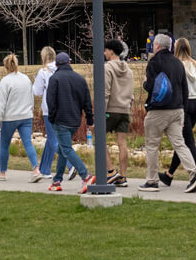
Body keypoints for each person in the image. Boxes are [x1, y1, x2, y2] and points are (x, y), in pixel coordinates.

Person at [139, 34, 196, 194]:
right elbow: (184, 88)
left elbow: (150, 86)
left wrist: (144, 82)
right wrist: (182, 109)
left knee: (152, 145)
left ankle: (152, 181)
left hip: (158, 111)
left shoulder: (154, 62)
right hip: (177, 109)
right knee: (180, 143)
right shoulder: (178, 63)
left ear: (156, 46)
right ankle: (195, 173)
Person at [43, 52, 96, 193]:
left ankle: (86, 176)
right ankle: (57, 181)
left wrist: (52, 118)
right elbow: (87, 103)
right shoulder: (80, 79)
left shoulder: (55, 79)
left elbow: (51, 102)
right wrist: (90, 120)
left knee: (66, 149)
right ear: (69, 63)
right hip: (75, 120)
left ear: (56, 65)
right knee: (62, 150)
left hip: (61, 120)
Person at [161, 37, 196, 186]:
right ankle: (169, 174)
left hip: (183, 104)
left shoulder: (176, 65)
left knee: (188, 141)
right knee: (183, 140)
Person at [0, 53, 39, 182]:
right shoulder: (26, 78)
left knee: (4, 144)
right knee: (28, 142)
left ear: (6, 66)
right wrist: (30, 110)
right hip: (26, 116)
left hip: (10, 118)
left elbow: (0, 104)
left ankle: (2, 172)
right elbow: (31, 97)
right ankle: (36, 170)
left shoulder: (5, 81)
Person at [104, 39, 134, 187]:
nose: (104, 53)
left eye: (105, 50)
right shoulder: (129, 70)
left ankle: (111, 171)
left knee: (99, 141)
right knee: (122, 143)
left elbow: (105, 91)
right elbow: (132, 93)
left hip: (110, 109)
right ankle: (123, 177)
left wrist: (100, 112)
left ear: (111, 51)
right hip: (125, 110)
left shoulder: (107, 68)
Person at [31, 46, 59, 178]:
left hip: (48, 109)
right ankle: (45, 169)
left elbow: (37, 92)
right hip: (61, 108)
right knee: (51, 138)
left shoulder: (43, 71)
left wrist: (35, 80)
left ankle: (72, 165)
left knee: (54, 140)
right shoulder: (60, 69)